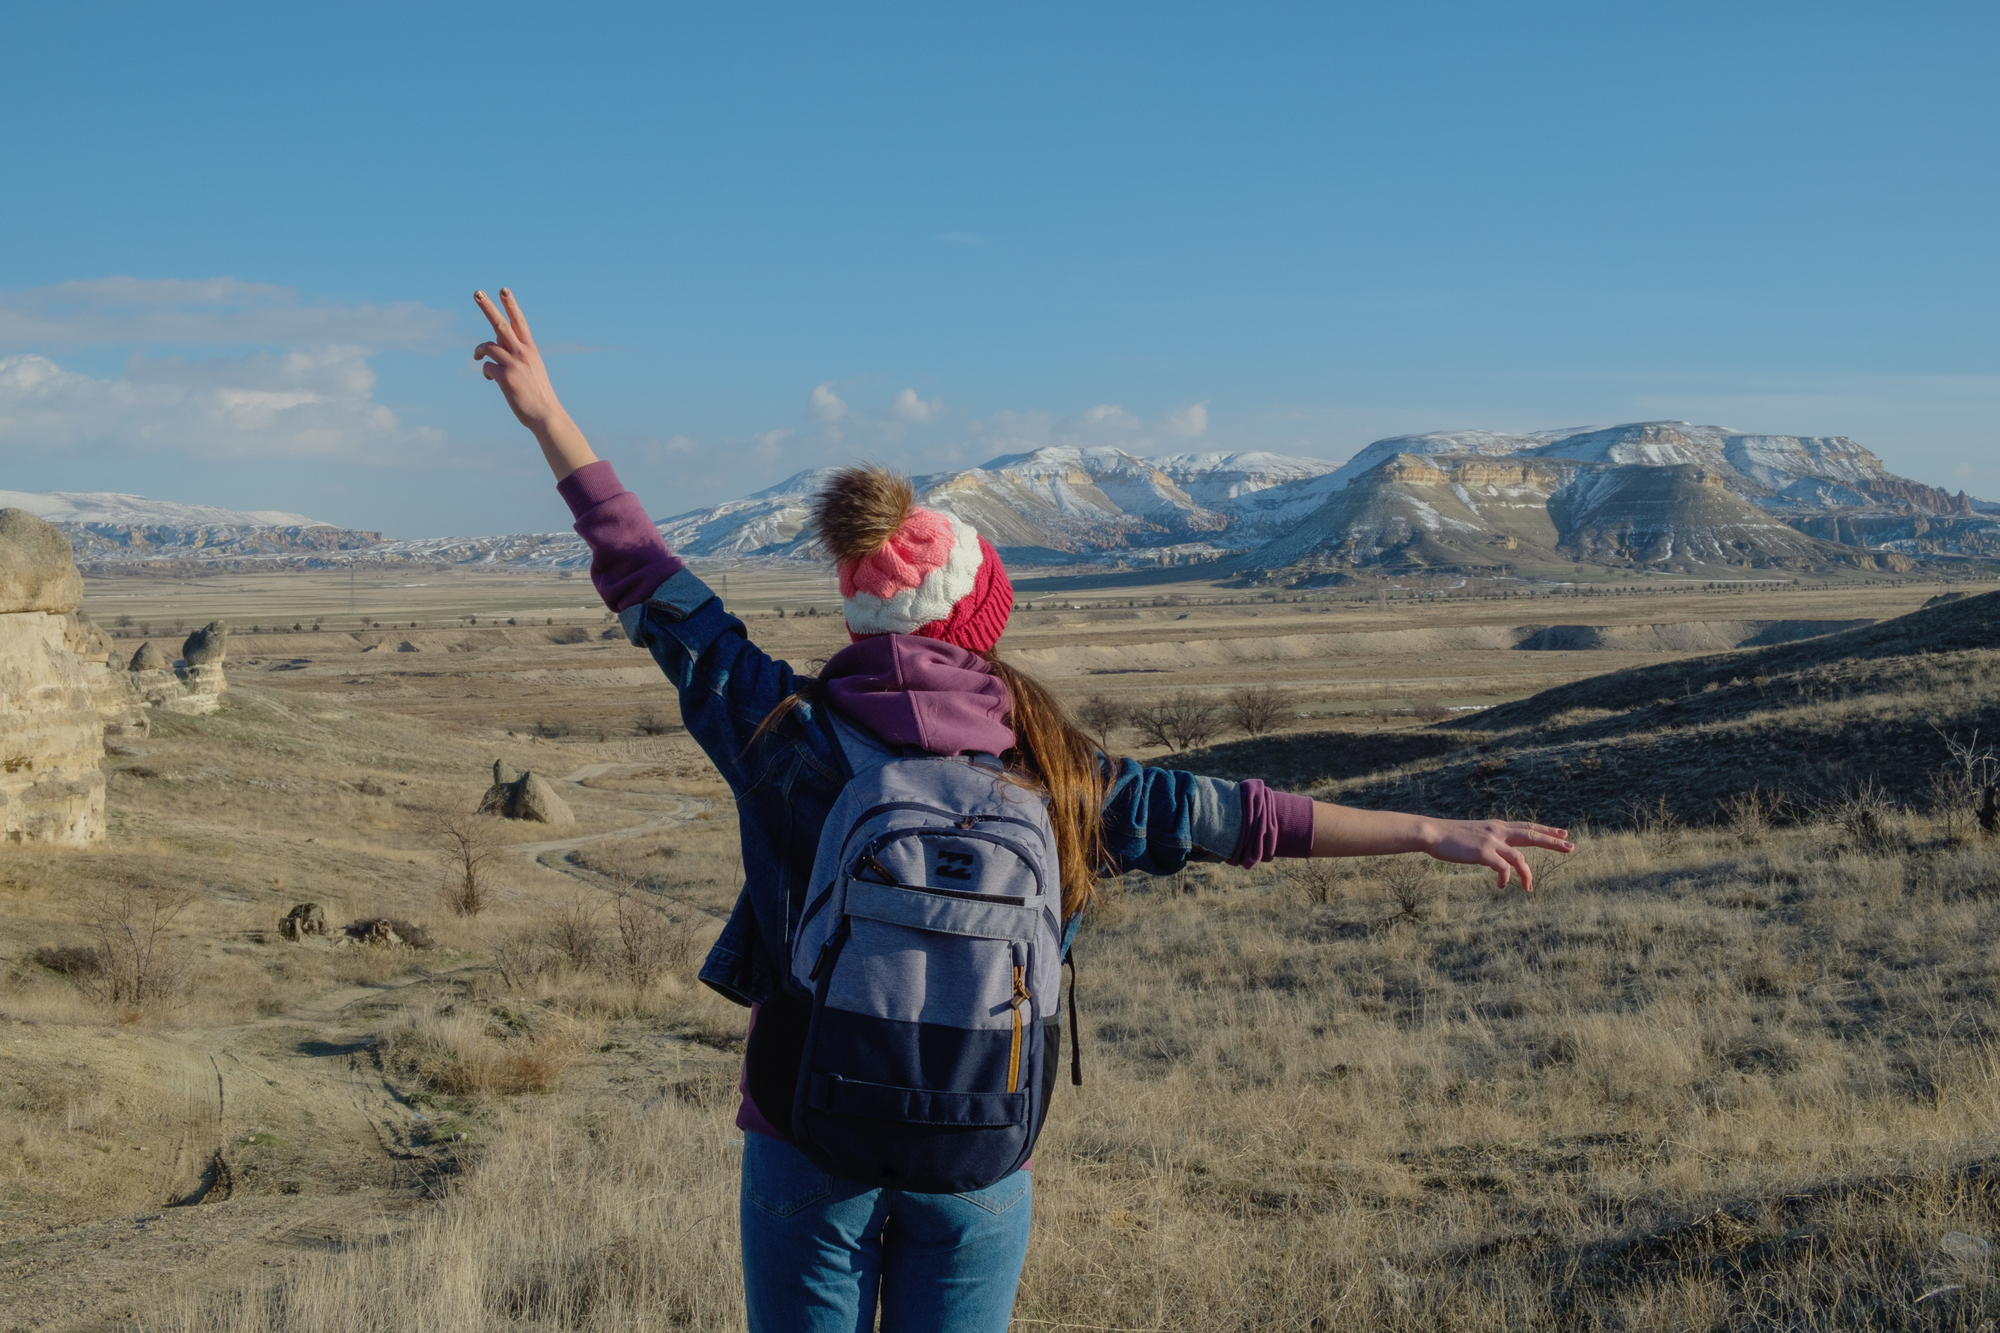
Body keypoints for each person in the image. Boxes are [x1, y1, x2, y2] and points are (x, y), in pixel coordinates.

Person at [472, 288, 1572, 1332]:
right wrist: (1431, 832)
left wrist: (548, 416)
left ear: (860, 620)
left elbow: (652, 583)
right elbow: (1246, 819)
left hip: (807, 1129)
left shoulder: (783, 737)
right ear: (982, 622)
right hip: (982, 1144)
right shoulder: (1059, 768)